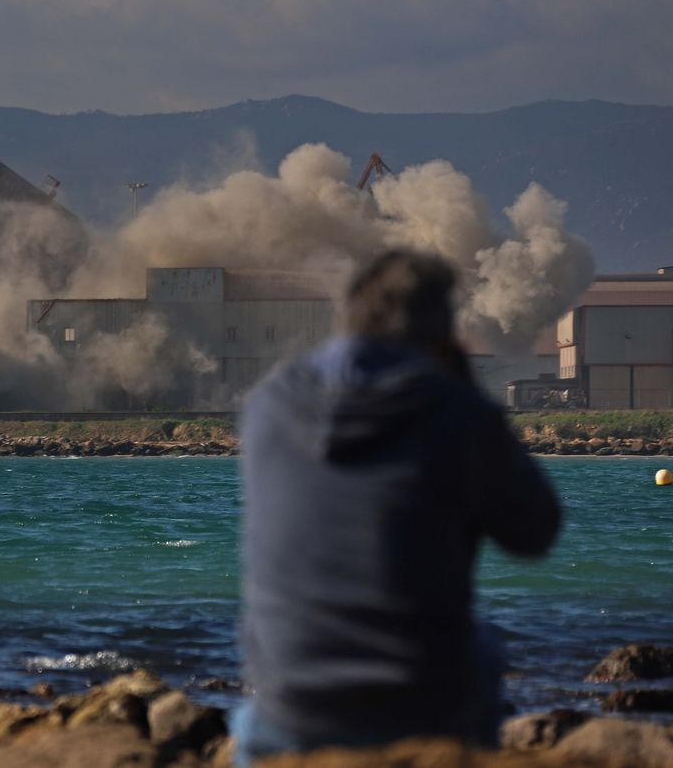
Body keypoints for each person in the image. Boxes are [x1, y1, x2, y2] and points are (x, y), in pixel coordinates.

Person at [232, 249, 561, 763]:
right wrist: (467, 391)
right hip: (422, 709)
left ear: (349, 317)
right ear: (442, 335)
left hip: (292, 708)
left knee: (246, 718)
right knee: (486, 649)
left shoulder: (268, 404)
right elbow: (535, 532)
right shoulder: (455, 409)